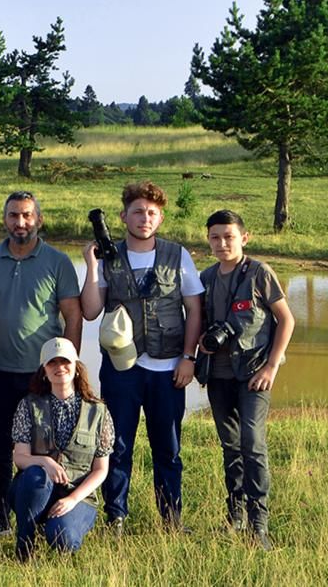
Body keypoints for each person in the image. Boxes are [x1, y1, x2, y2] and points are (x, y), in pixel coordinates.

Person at [80, 180, 204, 534]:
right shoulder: (109, 255)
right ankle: (116, 517)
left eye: (151, 213)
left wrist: (188, 357)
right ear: (123, 216)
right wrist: (91, 265)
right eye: (138, 212)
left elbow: (194, 309)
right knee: (117, 446)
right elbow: (90, 311)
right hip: (122, 370)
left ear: (160, 218)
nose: (144, 218)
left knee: (168, 447)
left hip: (168, 368)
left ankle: (171, 521)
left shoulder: (177, 254)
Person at [0, 190, 82, 536]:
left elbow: (73, 317)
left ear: (39, 220)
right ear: (5, 220)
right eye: (14, 215)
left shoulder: (57, 261)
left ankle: (44, 515)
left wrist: (69, 370)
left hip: (41, 376)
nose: (20, 222)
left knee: (44, 451)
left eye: (27, 215)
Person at [196, 209, 295, 551]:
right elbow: (195, 322)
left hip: (254, 374)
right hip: (218, 375)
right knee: (230, 446)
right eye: (215, 237)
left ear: (244, 238)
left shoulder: (259, 273)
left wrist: (271, 367)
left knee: (252, 444)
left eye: (229, 236)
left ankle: (259, 524)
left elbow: (286, 321)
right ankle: (234, 515)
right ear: (207, 240)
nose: (222, 243)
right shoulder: (205, 277)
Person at [9, 338, 112, 560]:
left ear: (76, 367)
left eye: (65, 362)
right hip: (36, 489)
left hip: (78, 495)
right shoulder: (28, 405)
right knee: (36, 475)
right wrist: (45, 462)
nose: (59, 368)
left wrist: (73, 499)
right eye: (52, 363)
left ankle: (57, 526)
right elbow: (19, 457)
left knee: (63, 539)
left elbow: (100, 469)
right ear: (44, 371)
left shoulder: (99, 411)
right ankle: (24, 545)